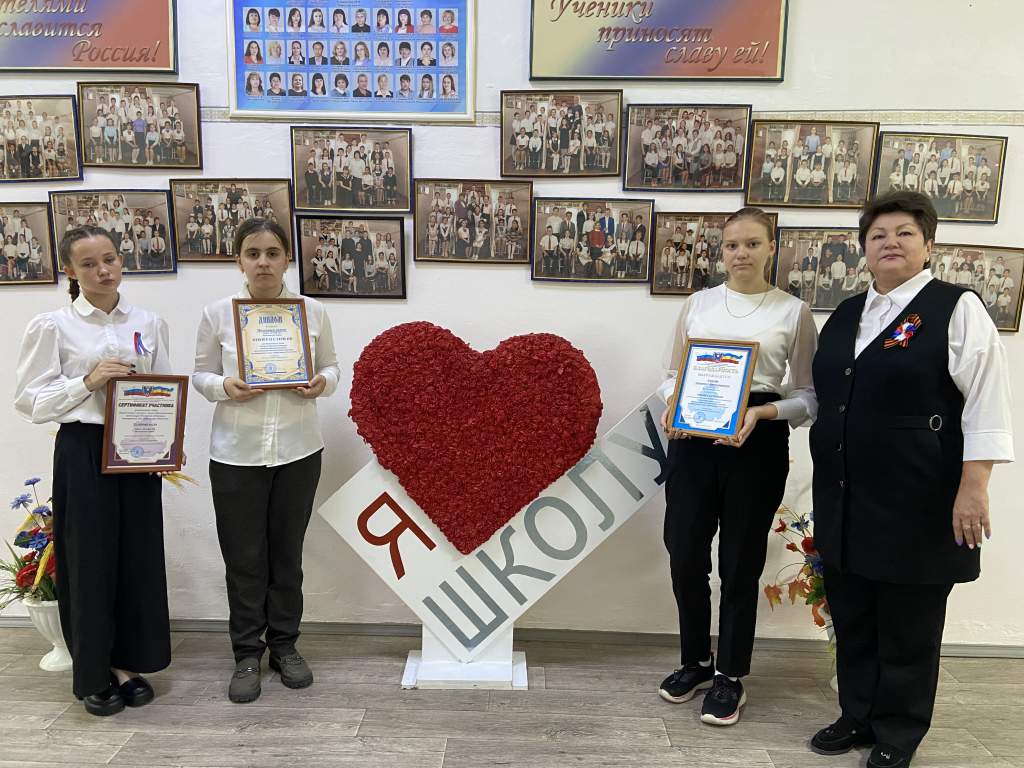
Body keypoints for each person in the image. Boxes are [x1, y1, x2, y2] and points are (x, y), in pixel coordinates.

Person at [808, 191, 1013, 768]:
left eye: (904, 233)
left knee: (908, 619)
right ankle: (857, 714)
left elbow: (986, 401)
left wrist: (974, 488)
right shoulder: (846, 314)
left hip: (919, 494)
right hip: (845, 493)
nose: (890, 243)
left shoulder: (955, 307)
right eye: (878, 235)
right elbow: (825, 397)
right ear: (864, 249)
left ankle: (898, 731)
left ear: (928, 244)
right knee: (853, 610)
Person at [658, 207, 817, 726]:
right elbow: (672, 373)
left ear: (772, 248)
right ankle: (696, 661)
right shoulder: (698, 304)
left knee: (740, 563)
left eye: (752, 243)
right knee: (685, 554)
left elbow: (809, 396)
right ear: (721, 251)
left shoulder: (794, 312)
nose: (741, 253)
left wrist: (763, 412)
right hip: (693, 439)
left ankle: (730, 674)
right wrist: (673, 403)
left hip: (757, 440)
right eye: (731, 245)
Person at [14, 226, 173, 715]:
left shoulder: (149, 321)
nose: (103, 270)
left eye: (110, 259)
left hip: (138, 449)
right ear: (70, 271)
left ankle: (128, 663)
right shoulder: (53, 326)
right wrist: (87, 380)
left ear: (122, 260)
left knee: (137, 558)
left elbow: (165, 387)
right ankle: (93, 671)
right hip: (83, 447)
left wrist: (169, 442)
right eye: (88, 264)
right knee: (88, 560)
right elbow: (29, 401)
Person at [192, 218, 340, 703]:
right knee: (244, 560)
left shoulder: (312, 312)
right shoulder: (218, 314)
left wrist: (322, 383)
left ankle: (285, 647)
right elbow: (200, 374)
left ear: (287, 259)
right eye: (252, 253)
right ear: (239, 260)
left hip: (299, 449)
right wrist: (224, 386)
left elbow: (333, 366)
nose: (263, 262)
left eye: (272, 253)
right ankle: (245, 654)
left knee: (287, 557)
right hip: (236, 454)